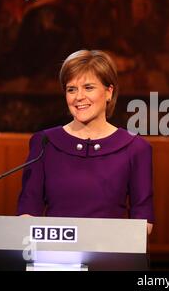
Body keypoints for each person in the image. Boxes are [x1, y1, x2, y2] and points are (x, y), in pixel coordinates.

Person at [17, 50, 154, 234]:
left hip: (111, 257)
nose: (78, 97)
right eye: (71, 89)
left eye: (88, 87)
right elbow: (28, 212)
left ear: (109, 92)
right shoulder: (44, 143)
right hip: (55, 257)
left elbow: (143, 222)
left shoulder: (136, 148)